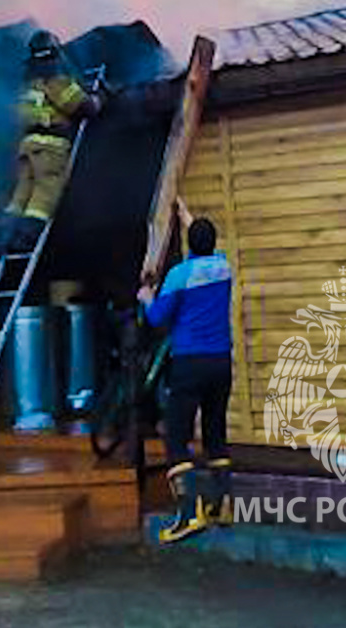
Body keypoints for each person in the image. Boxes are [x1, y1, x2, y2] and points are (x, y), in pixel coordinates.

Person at [139, 201, 234, 543]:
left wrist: (147, 296)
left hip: (190, 363)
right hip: (221, 363)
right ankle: (222, 506)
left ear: (191, 244)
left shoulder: (179, 275)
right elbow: (205, 245)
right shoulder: (223, 267)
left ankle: (189, 514)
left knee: (176, 437)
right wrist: (186, 216)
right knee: (214, 434)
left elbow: (157, 318)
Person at [0, 30, 101, 255]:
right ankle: (25, 239)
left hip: (28, 145)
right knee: (45, 194)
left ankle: (7, 236)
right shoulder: (55, 80)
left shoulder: (28, 86)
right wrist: (95, 100)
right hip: (50, 147)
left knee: (21, 194)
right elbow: (81, 107)